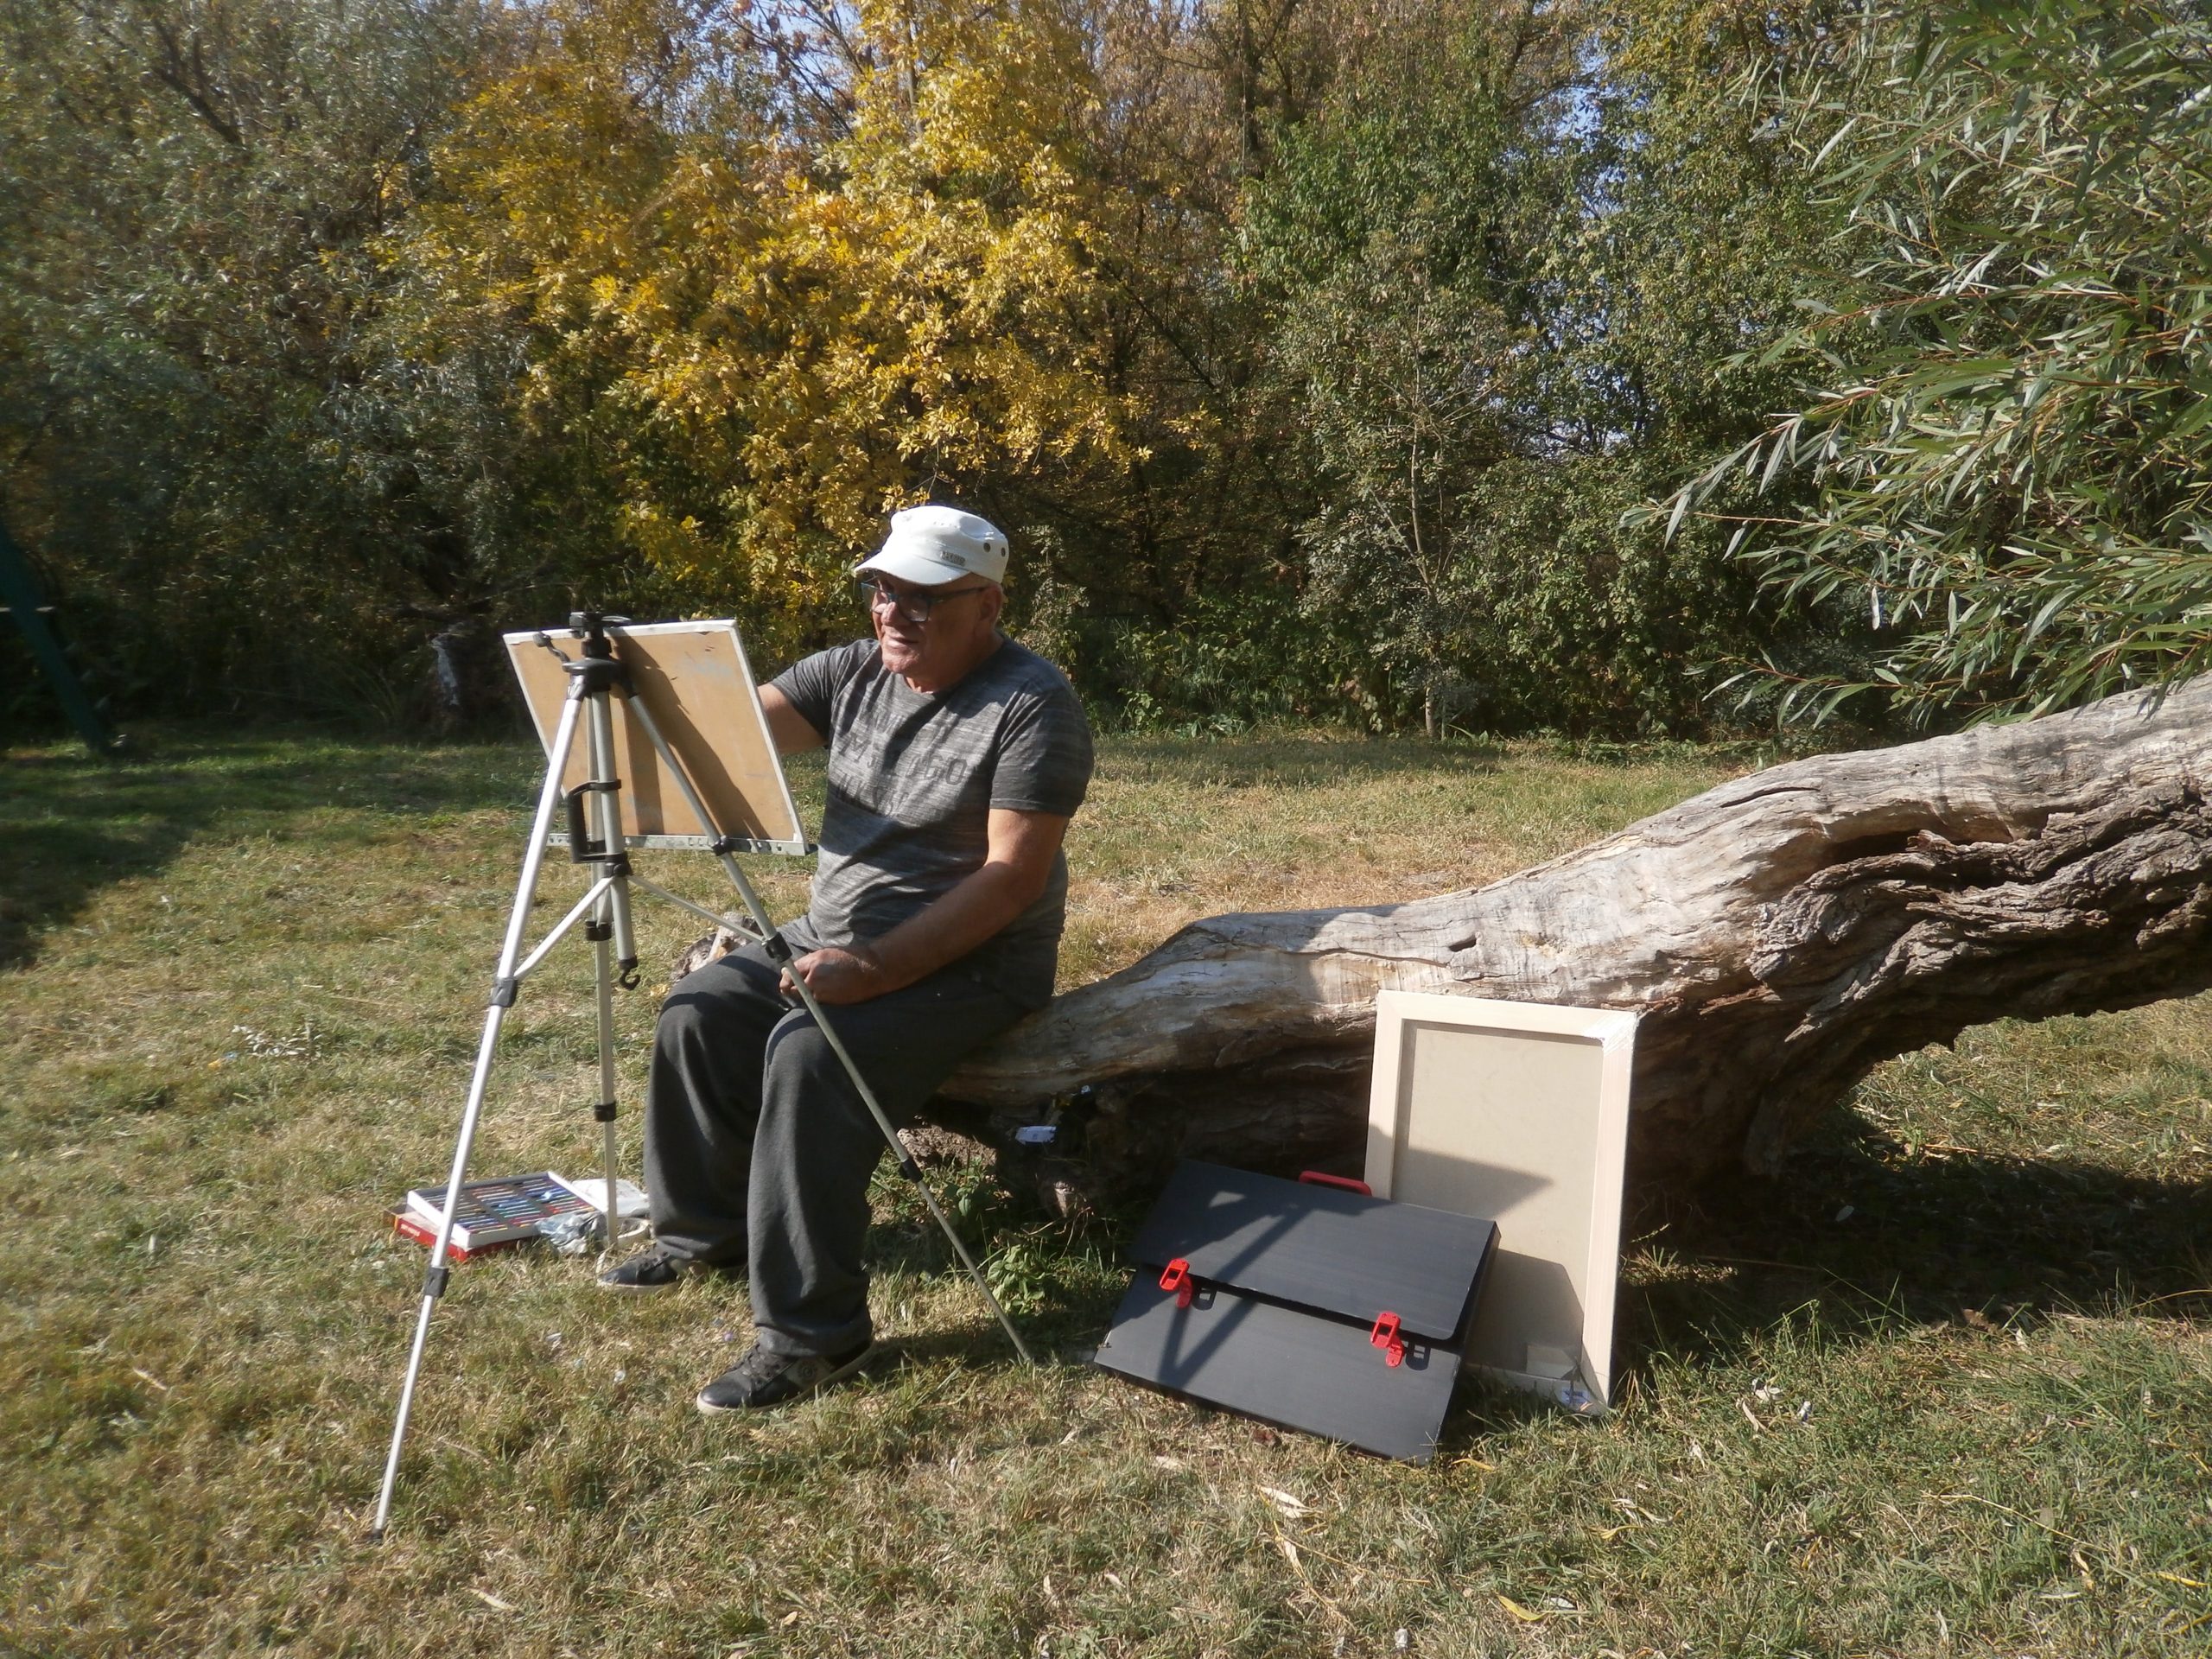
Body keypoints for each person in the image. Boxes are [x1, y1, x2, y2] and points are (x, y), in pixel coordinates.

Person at [598, 505, 1094, 1414]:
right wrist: (637, 689)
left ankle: (814, 1336)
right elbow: (727, 737)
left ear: (987, 605)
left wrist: (874, 973)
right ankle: (703, 1235)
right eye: (882, 590)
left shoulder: (1034, 705)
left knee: (809, 1055)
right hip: (829, 936)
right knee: (698, 1013)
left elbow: (1010, 881)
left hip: (975, 963)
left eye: (923, 598)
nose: (893, 613)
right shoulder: (850, 671)